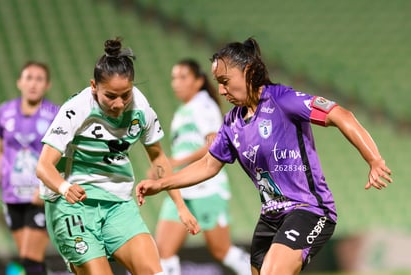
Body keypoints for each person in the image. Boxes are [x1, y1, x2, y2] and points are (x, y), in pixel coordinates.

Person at [135, 37, 393, 275]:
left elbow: (340, 115)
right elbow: (207, 166)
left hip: (309, 210)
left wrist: (374, 159)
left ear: (247, 71)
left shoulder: (282, 100)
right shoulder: (232, 123)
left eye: (225, 81)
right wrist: (161, 184)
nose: (222, 91)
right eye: (218, 84)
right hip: (270, 218)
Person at [35, 37, 200, 275]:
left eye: (126, 94)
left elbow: (158, 157)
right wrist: (64, 187)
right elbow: (43, 166)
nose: (119, 104)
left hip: (118, 205)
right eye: (110, 96)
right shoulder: (76, 109)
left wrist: (181, 206)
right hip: (72, 206)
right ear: (94, 86)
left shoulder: (141, 109)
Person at [154, 59, 251, 275]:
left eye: (182, 77)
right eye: (173, 78)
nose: (175, 83)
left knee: (221, 250)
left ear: (198, 82)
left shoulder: (204, 105)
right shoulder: (182, 111)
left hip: (206, 187)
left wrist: (176, 162)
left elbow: (213, 145)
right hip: (180, 187)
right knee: (163, 250)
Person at [0, 61, 59, 275]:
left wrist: (46, 186)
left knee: (31, 258)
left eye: (39, 79)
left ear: (47, 85)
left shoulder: (55, 114)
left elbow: (62, 156)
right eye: (29, 78)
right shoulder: (3, 112)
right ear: (19, 82)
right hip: (12, 195)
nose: (33, 83)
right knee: (29, 259)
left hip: (39, 195)